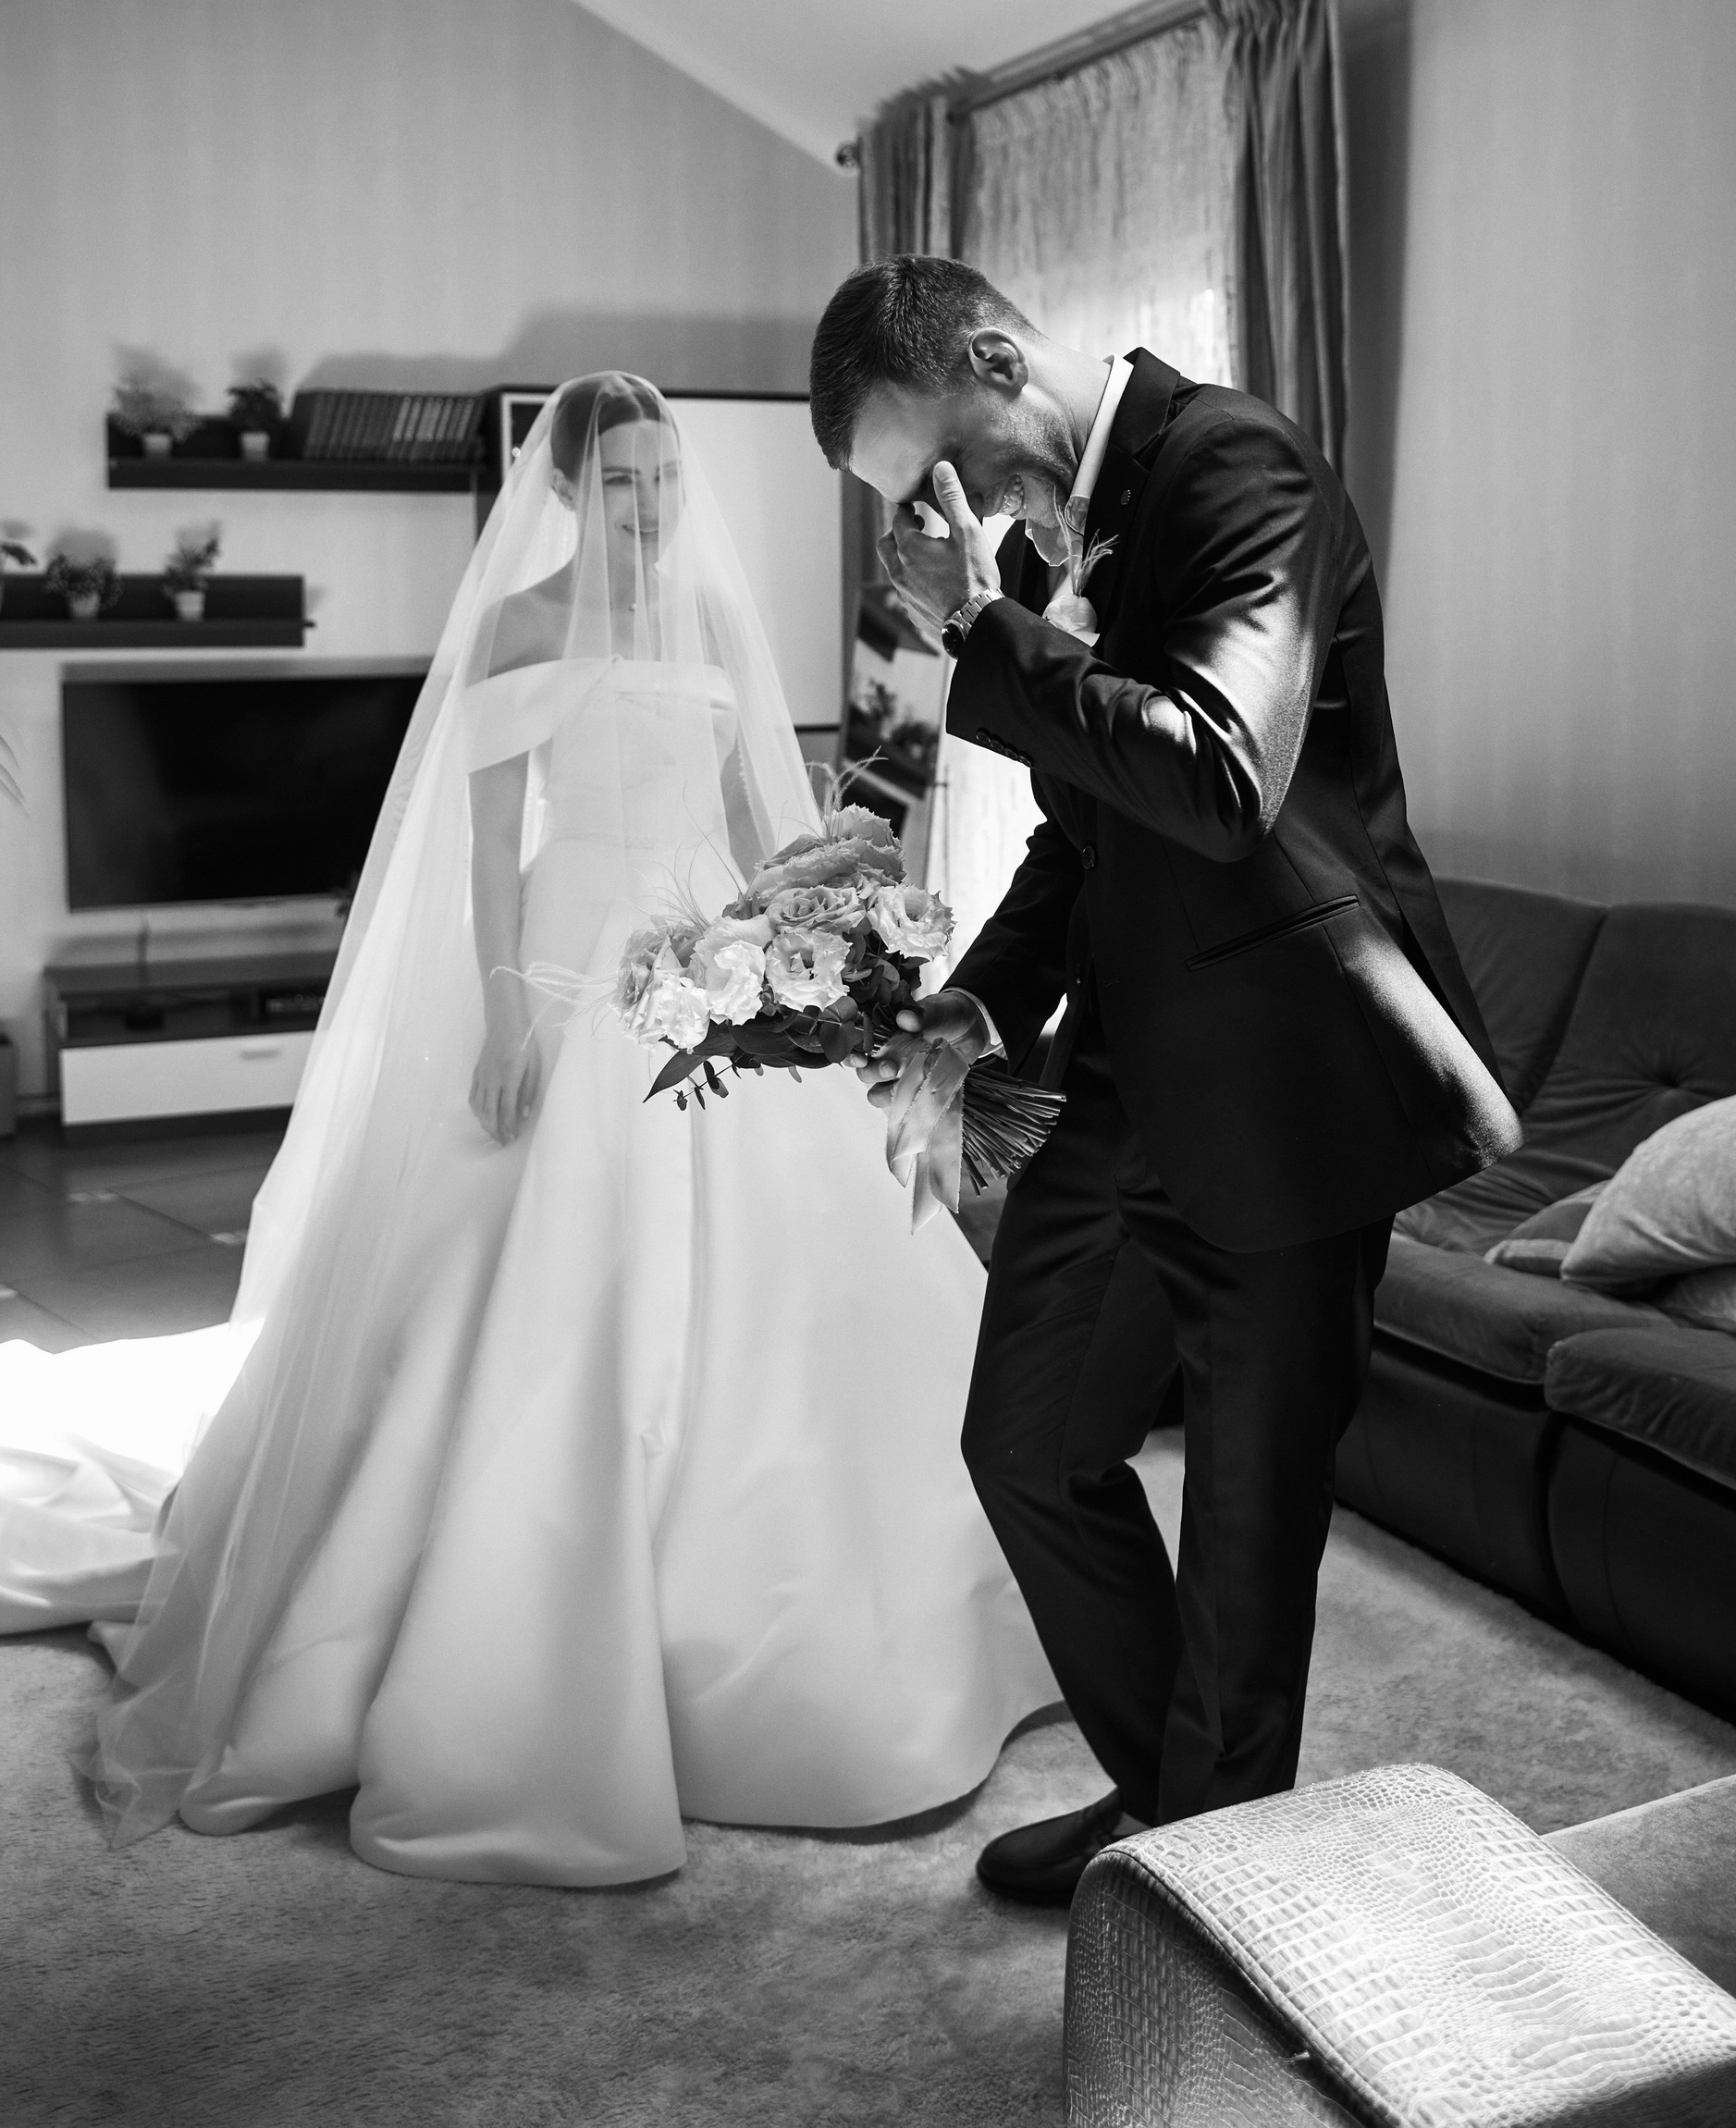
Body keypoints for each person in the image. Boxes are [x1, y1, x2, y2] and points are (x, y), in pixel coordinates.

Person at [0, 375, 1052, 1884]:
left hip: (717, 957)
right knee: (526, 1273)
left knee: (812, 1268)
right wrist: (506, 1016)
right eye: (619, 483)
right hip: (573, 957)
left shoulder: (711, 618)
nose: (649, 507)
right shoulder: (519, 624)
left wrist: (820, 948)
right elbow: (492, 848)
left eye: (664, 478)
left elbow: (756, 833)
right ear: (566, 490)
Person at [809, 257, 1519, 1905]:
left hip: (1290, 1090)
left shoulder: (1237, 467)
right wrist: (981, 1005)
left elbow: (1213, 774)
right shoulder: (1057, 538)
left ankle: (1217, 1906)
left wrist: (978, 630)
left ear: (999, 358)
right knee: (1025, 1445)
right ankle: (1171, 1815)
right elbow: (1089, 831)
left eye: (943, 466)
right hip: (1120, 1079)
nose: (946, 516)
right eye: (911, 499)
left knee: (1249, 1541)